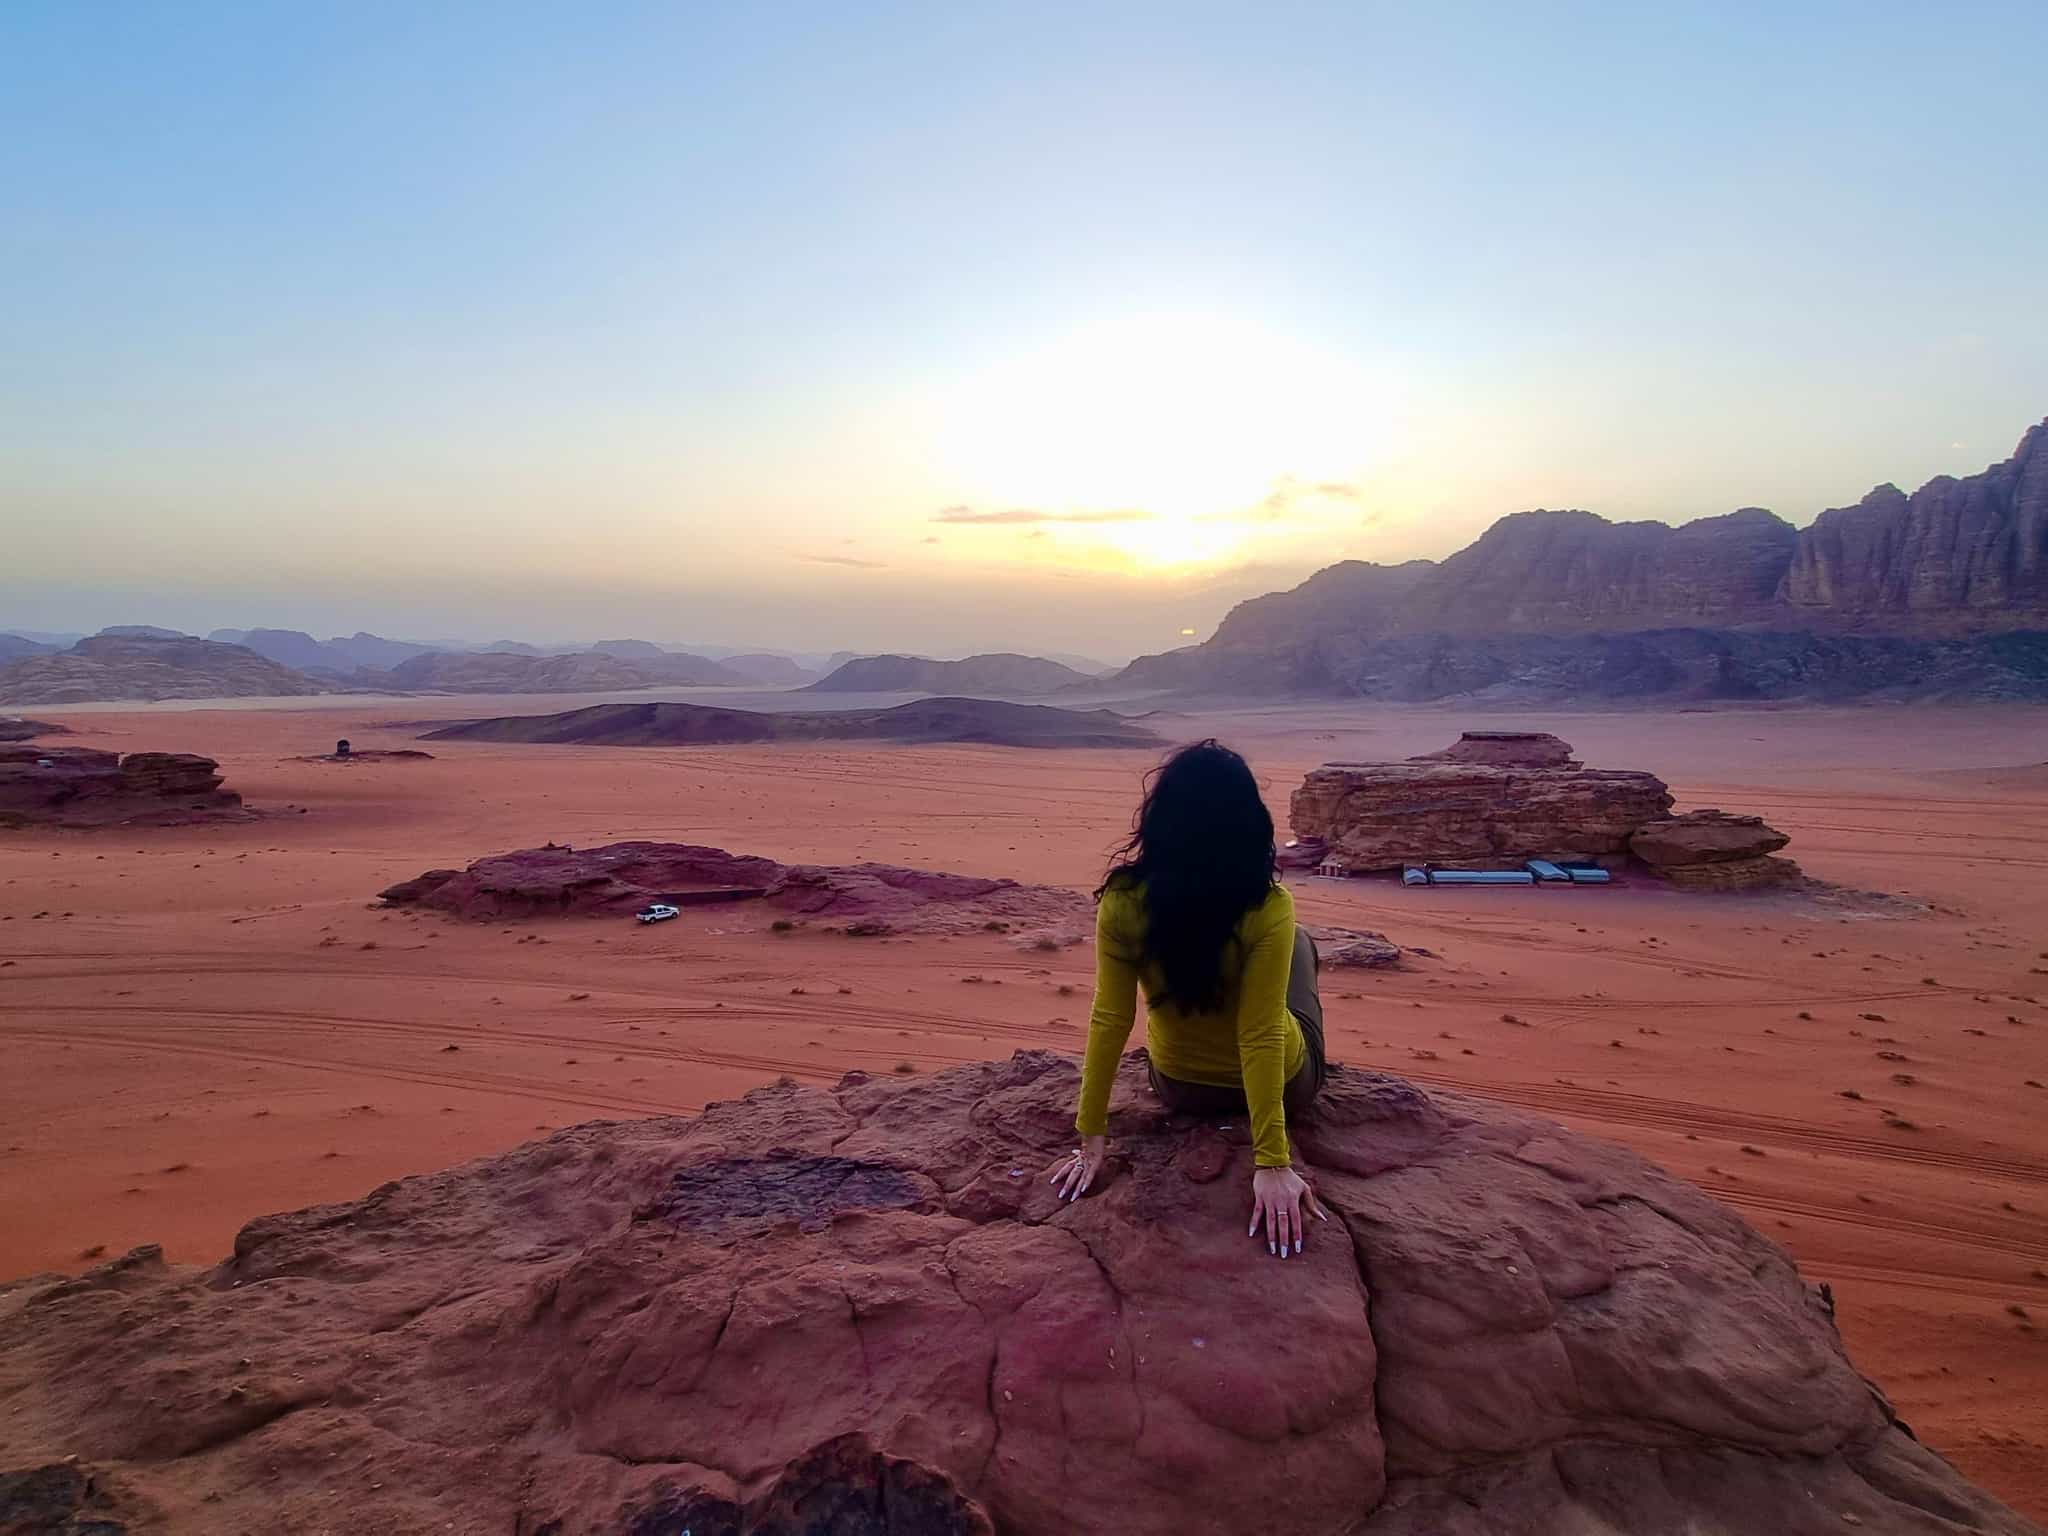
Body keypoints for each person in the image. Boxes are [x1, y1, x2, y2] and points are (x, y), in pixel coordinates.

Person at [1049, 739, 1330, 1259]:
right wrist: (1271, 1162)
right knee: (1301, 946)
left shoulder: (1122, 900)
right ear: (1248, 822)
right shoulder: (1268, 905)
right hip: (1286, 1089)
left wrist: (1091, 1131)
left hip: (1180, 1087)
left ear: (1161, 820)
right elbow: (1262, 1031)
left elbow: (1110, 1018)